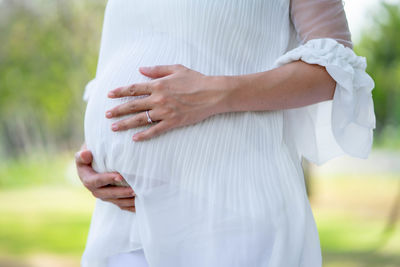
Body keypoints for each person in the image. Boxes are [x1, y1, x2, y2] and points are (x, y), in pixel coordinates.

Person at [75, 0, 376, 266]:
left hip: (229, 212)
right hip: (125, 220)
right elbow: (123, 60)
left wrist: (214, 93)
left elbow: (333, 72)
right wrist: (93, 153)